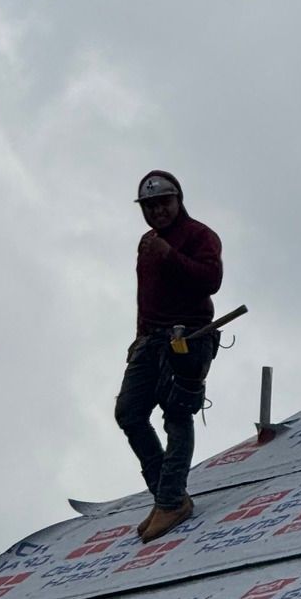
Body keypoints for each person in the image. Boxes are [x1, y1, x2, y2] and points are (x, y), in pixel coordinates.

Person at [115, 170, 223, 543]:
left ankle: (170, 499)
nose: (157, 211)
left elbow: (211, 280)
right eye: (150, 206)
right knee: (129, 412)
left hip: (187, 336)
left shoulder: (199, 236)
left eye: (163, 203)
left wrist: (170, 255)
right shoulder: (147, 243)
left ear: (178, 200)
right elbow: (146, 293)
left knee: (177, 412)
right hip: (151, 338)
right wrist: (139, 334)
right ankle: (167, 495)